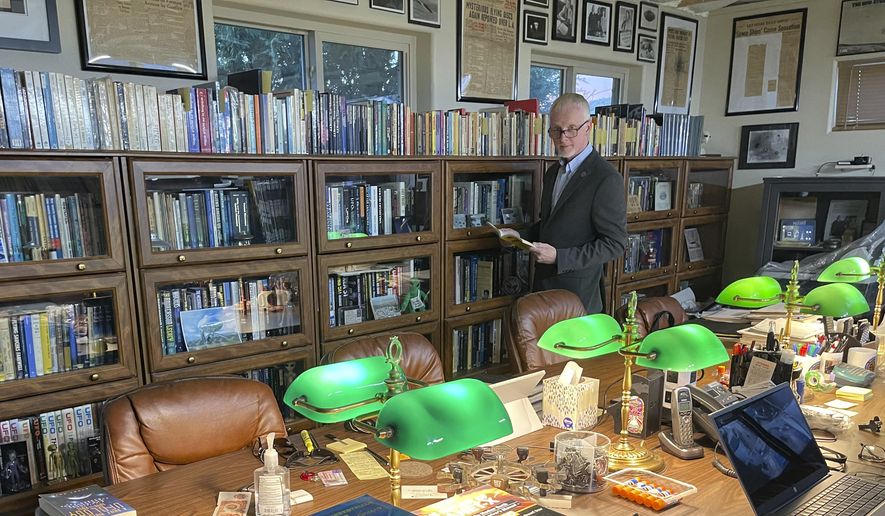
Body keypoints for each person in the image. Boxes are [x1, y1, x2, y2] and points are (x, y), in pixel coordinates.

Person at [499, 93, 627, 313]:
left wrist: (560, 257)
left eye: (571, 129)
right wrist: (520, 237)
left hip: (579, 297)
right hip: (542, 290)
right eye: (556, 130)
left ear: (589, 127)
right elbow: (551, 224)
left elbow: (615, 244)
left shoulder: (606, 178)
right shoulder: (552, 173)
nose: (563, 137)